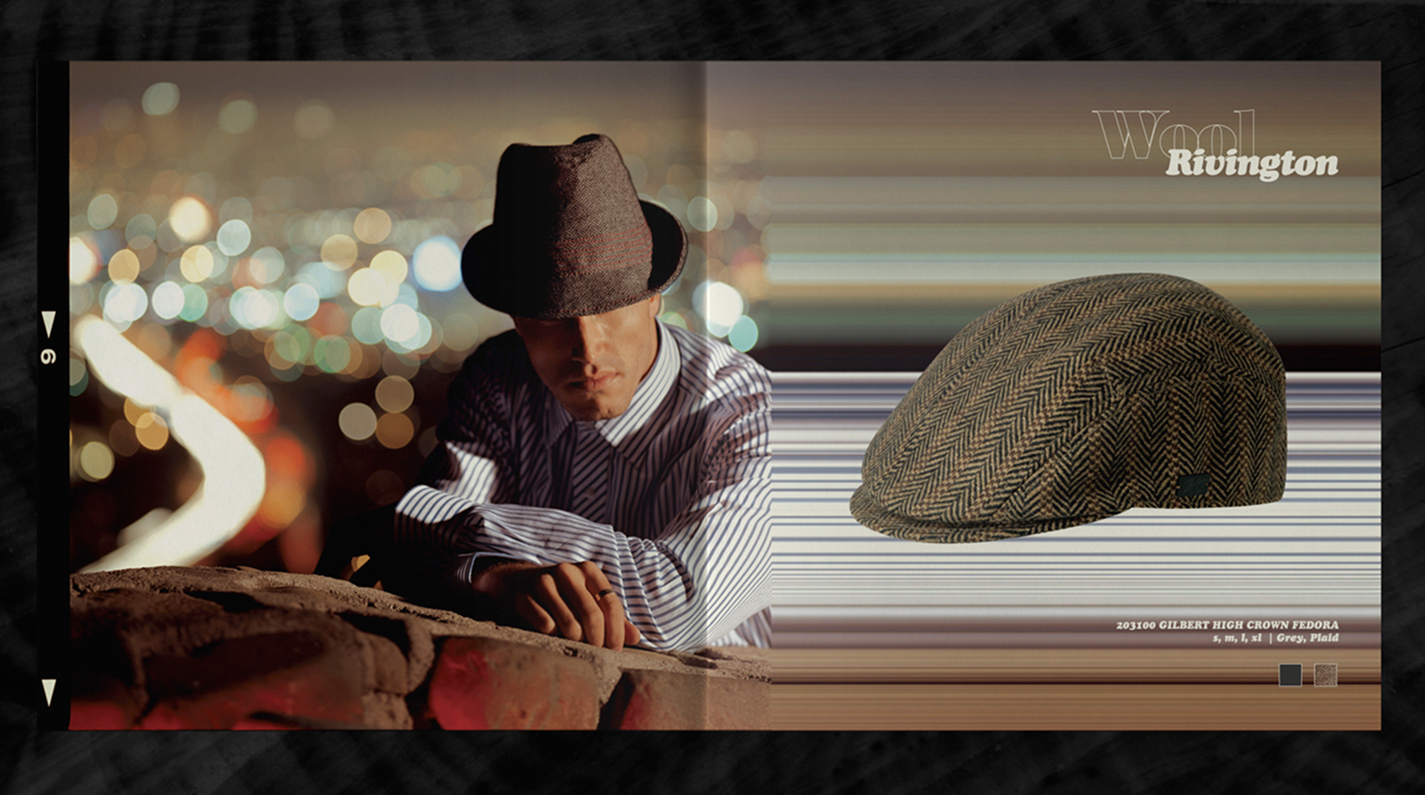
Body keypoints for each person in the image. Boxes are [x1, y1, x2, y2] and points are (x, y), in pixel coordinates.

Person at [388, 134, 771, 653]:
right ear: (518, 319)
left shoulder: (750, 411)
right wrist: (490, 578)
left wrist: (428, 522)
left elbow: (681, 605)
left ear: (654, 296)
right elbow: (412, 566)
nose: (588, 348)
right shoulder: (499, 378)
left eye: (611, 307)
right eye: (554, 317)